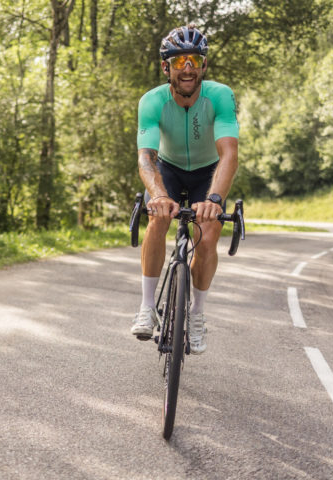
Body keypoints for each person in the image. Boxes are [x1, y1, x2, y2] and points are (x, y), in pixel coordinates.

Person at [130, 25, 239, 354]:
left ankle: (196, 314)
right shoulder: (151, 101)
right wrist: (159, 195)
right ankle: (147, 307)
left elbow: (229, 154)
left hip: (208, 171)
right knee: (157, 218)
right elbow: (146, 157)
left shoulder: (220, 96)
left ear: (204, 65)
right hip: (168, 169)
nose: (188, 67)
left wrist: (215, 199)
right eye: (179, 62)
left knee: (207, 232)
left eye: (194, 60)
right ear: (167, 68)